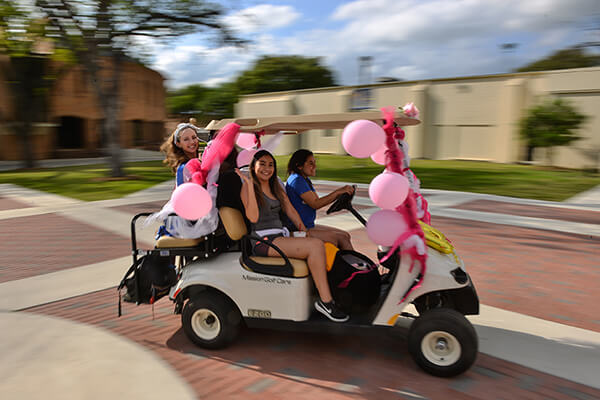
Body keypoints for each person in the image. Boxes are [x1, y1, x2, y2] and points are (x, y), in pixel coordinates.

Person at [237, 149, 349, 323]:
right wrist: (250, 185)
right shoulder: (248, 187)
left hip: (280, 235)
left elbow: (291, 211)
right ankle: (326, 302)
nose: (267, 168)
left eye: (271, 165)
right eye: (262, 164)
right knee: (315, 246)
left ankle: (342, 288)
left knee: (319, 241)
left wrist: (304, 231)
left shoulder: (276, 187)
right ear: (253, 166)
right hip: (262, 240)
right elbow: (252, 217)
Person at [286, 149, 355, 250]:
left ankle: (354, 264)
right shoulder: (297, 180)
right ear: (299, 166)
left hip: (308, 224)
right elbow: (315, 204)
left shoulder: (305, 179)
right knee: (334, 239)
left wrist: (338, 194)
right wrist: (338, 192)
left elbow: (317, 201)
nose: (314, 166)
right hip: (298, 228)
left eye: (314, 163)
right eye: (310, 163)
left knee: (345, 236)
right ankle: (342, 265)